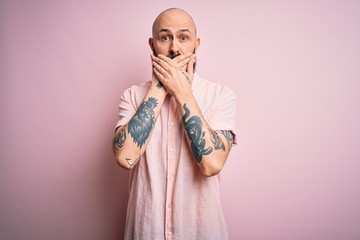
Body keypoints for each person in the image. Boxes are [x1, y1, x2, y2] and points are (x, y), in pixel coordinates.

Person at [113, 8, 236, 240]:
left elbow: (211, 164)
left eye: (183, 37)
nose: (174, 49)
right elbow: (124, 158)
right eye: (164, 37)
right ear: (152, 45)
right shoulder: (131, 96)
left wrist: (181, 91)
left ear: (196, 44)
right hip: (145, 232)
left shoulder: (221, 95)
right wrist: (160, 88)